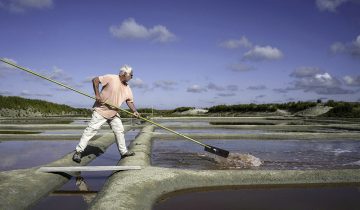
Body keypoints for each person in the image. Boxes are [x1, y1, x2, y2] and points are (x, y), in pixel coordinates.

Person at [72, 65, 140, 163]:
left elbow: (129, 101)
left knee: (119, 130)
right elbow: (95, 80)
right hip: (101, 110)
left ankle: (123, 152)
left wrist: (134, 111)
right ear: (124, 74)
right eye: (131, 75)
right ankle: (78, 152)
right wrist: (97, 95)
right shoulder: (111, 78)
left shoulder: (127, 88)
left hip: (114, 112)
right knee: (91, 130)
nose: (132, 77)